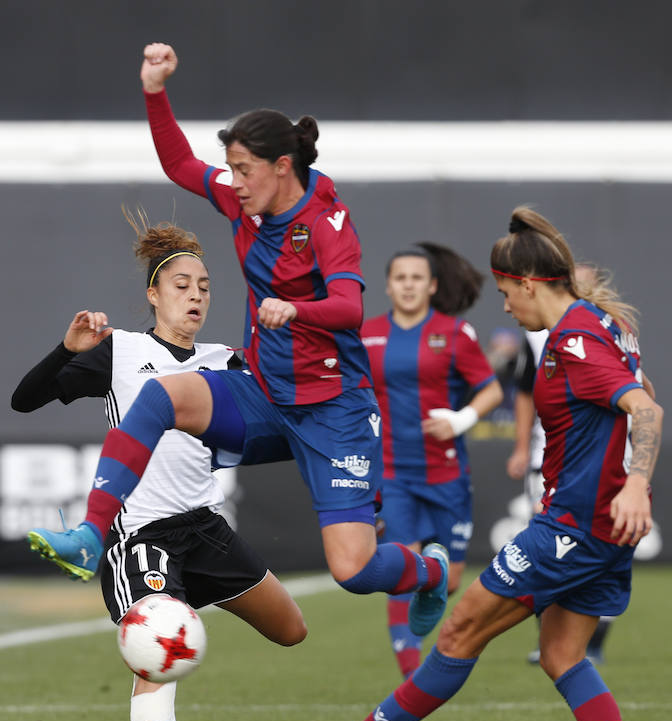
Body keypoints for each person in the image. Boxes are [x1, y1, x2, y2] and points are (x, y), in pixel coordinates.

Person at [267, 206, 664, 721]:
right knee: (564, 654)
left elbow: (643, 407)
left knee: (457, 627)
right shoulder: (602, 326)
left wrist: (636, 484)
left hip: (575, 528)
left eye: (507, 294)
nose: (505, 308)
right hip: (595, 526)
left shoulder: (575, 339)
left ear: (531, 284)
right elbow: (637, 385)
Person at [25, 42, 450, 642]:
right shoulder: (242, 201)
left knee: (353, 570)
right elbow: (179, 166)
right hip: (266, 394)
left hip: (333, 410)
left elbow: (351, 307)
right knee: (160, 398)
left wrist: (296, 308)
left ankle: (430, 571)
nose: (233, 181)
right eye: (230, 167)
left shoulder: (328, 225)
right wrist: (154, 91)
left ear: (282, 166)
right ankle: (92, 535)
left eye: (244, 168)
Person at [16, 210, 307, 721]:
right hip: (141, 535)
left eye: (204, 286)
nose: (196, 295)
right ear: (153, 292)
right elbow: (24, 399)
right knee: (154, 663)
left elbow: (276, 421)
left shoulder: (225, 360)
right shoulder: (119, 349)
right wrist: (66, 351)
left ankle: (190, 601)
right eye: (182, 285)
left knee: (292, 630)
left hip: (204, 528)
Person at [362, 243, 502, 676]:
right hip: (391, 474)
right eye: (400, 277)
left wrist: (461, 420)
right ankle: (410, 672)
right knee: (402, 565)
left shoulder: (455, 333)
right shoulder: (365, 335)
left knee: (451, 579)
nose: (408, 285)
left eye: (417, 278)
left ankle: (431, 593)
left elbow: (491, 390)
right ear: (388, 285)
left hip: (445, 474)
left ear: (432, 285)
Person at [509, 263, 619, 665]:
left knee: (597, 554)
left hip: (598, 466)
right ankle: (550, 641)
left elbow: (640, 399)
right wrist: (522, 447)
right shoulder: (537, 335)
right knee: (545, 548)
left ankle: (593, 644)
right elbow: (523, 393)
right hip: (547, 462)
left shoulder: (614, 330)